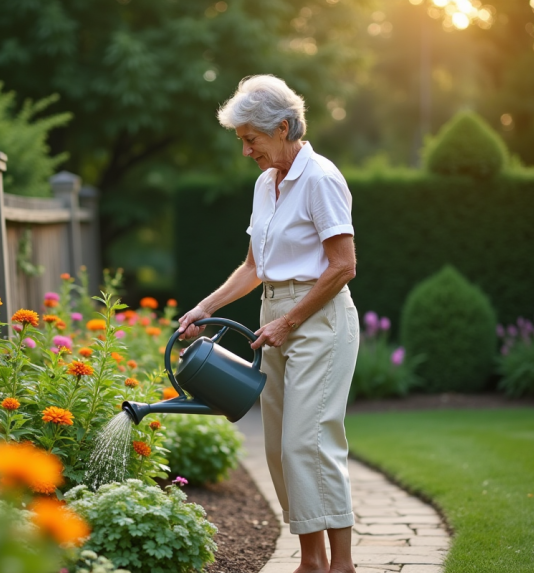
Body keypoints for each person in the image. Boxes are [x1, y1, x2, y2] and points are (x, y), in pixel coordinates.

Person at [177, 75, 360, 573]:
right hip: (274, 316)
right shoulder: (265, 184)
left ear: (282, 128)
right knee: (280, 445)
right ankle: (311, 561)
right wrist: (205, 307)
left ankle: (341, 564)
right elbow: (254, 268)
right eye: (241, 140)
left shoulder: (320, 178)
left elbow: (343, 266)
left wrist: (290, 321)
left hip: (318, 318)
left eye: (250, 139)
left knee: (311, 440)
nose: (245, 151)